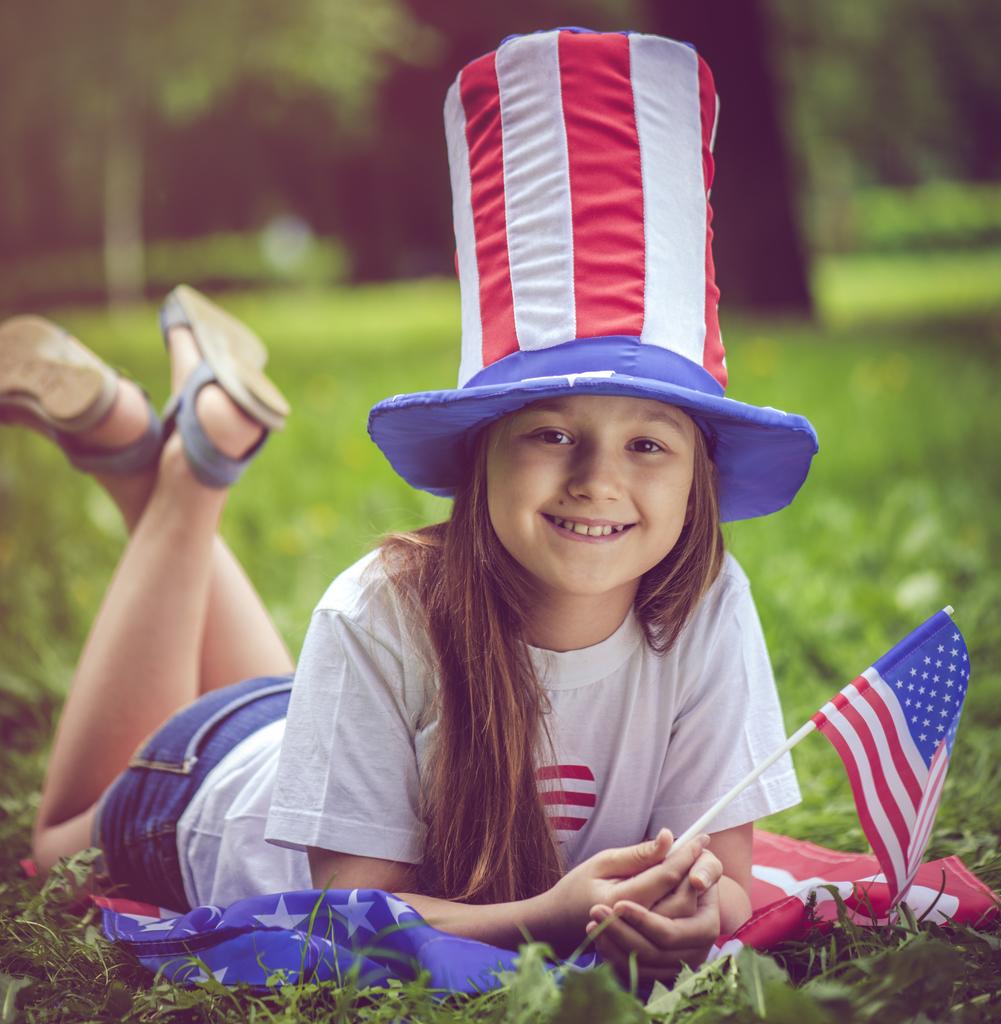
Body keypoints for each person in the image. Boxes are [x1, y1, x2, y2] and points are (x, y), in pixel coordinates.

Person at [6, 29, 818, 981]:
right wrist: (544, 915)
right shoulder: (378, 607)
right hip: (198, 791)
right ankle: (165, 463)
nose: (599, 478)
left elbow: (724, 879)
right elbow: (342, 911)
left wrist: (699, 914)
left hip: (312, 739)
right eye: (551, 433)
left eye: (649, 444)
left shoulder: (709, 604)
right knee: (51, 848)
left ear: (699, 482)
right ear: (479, 458)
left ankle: (180, 443)